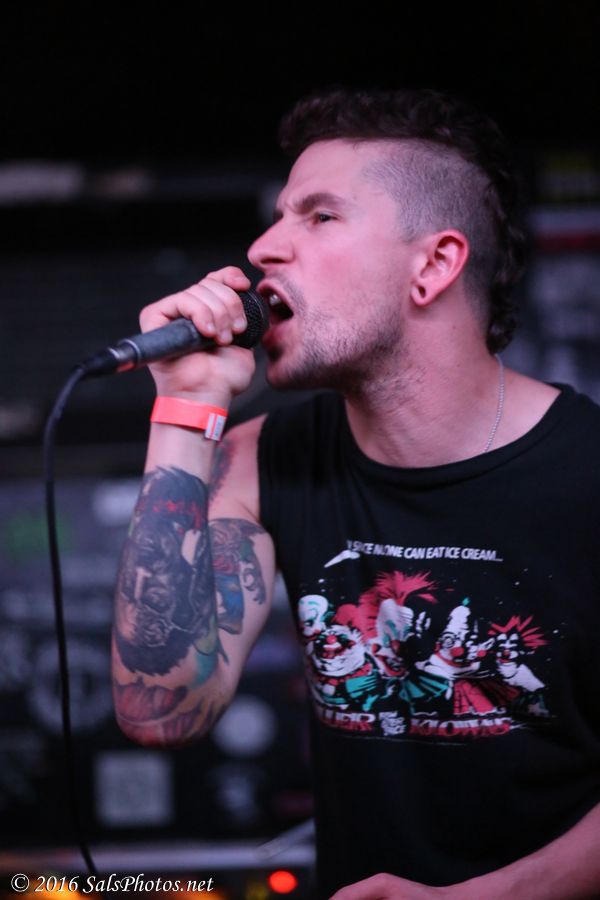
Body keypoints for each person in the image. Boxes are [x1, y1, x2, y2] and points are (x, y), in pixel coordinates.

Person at [111, 87, 600, 899]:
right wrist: (187, 405)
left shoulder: (586, 473)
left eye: (319, 216)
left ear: (434, 266)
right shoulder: (262, 459)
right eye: (278, 217)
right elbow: (157, 710)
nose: (263, 247)